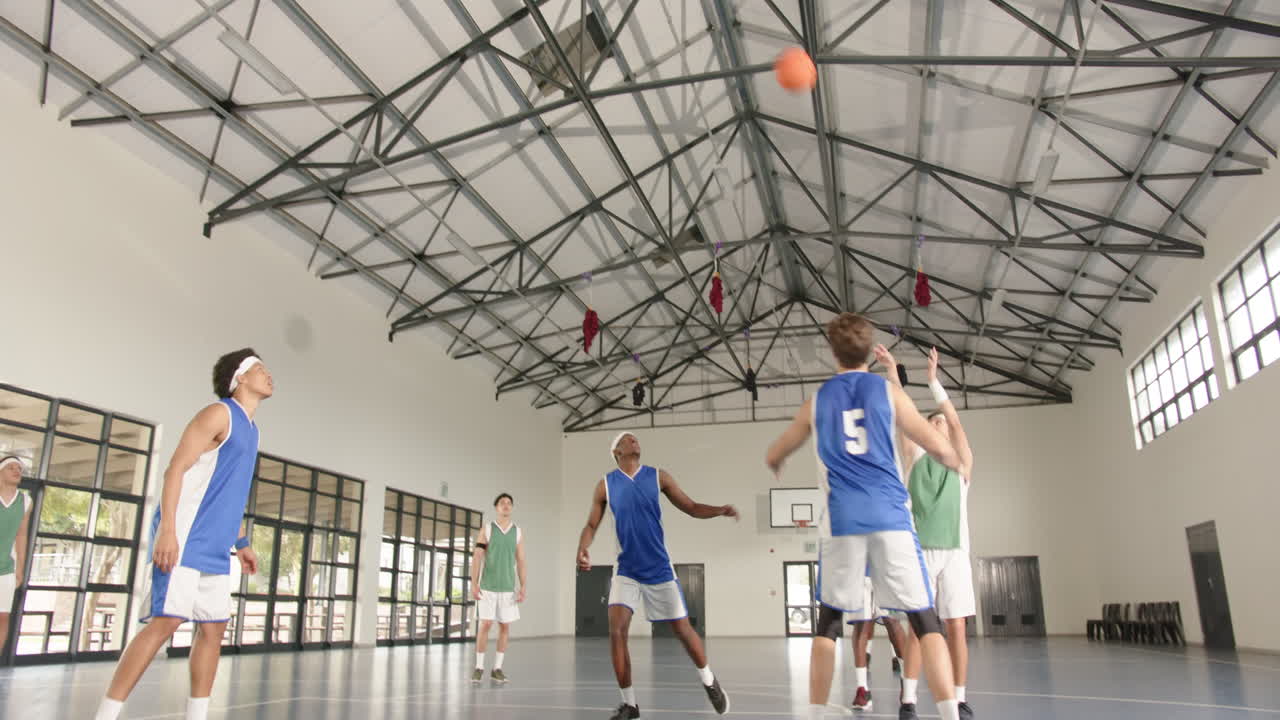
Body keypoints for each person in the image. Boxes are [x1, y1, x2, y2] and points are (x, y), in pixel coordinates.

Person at [765, 313, 965, 720]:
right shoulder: (889, 393)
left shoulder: (817, 400)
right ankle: (948, 712)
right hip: (891, 516)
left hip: (843, 522)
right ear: (868, 353)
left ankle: (818, 713)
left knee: (829, 624)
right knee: (926, 621)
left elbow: (778, 448)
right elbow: (934, 445)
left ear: (832, 352)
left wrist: (777, 460)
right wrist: (954, 459)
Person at [94, 349, 271, 720]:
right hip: (185, 538)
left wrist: (242, 543)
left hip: (217, 548)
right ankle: (106, 715)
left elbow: (229, 493)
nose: (269, 376)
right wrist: (167, 531)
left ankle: (197, 715)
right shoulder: (218, 413)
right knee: (167, 622)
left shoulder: (252, 431)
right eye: (260, 369)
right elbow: (176, 468)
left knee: (214, 628)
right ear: (240, 378)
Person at [576, 431, 734, 720]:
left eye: (636, 439)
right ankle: (630, 704)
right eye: (627, 439)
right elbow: (590, 524)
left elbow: (691, 507)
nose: (634, 440)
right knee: (616, 631)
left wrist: (719, 510)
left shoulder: (659, 476)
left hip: (659, 568)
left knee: (683, 631)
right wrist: (583, 547)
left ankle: (709, 680)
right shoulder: (606, 485)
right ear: (617, 452)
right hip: (626, 570)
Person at [878, 345, 977, 720]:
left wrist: (934, 383)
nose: (936, 425)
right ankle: (908, 700)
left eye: (940, 424)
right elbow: (904, 414)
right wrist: (892, 373)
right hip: (919, 553)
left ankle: (960, 697)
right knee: (919, 629)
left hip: (955, 554)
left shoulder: (962, 466)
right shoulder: (914, 455)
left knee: (956, 627)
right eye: (931, 423)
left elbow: (956, 421)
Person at [471, 492, 526, 683]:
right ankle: (478, 667)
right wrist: (474, 583)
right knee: (485, 624)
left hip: (507, 588)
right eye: (502, 503)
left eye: (509, 503)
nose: (506, 505)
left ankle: (497, 668)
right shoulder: (486, 529)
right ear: (496, 507)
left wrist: (523, 585)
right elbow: (477, 556)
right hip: (487, 586)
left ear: (511, 508)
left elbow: (520, 560)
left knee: (504, 626)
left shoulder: (517, 531)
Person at [848, 579, 909, 712]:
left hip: (885, 571)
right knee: (860, 624)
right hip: (861, 572)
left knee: (892, 623)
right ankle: (862, 689)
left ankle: (906, 680)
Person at [0, 455, 32, 653]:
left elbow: (22, 535)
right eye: (11, 467)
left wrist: (20, 568)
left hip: (6, 569)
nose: (16, 471)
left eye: (19, 468)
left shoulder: (26, 500)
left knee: (3, 617)